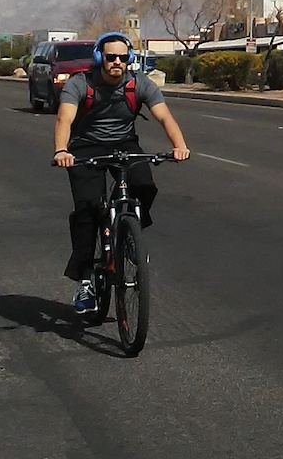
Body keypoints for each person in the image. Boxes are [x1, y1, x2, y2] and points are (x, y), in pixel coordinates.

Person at [52, 32, 190, 314]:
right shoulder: (81, 83)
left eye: (123, 57)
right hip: (85, 147)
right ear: (99, 58)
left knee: (144, 185)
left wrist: (179, 146)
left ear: (130, 59)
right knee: (88, 209)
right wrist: (61, 150)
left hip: (124, 144)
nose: (117, 62)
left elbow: (164, 116)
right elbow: (64, 118)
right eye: (111, 57)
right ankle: (86, 281)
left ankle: (128, 233)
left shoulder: (139, 84)